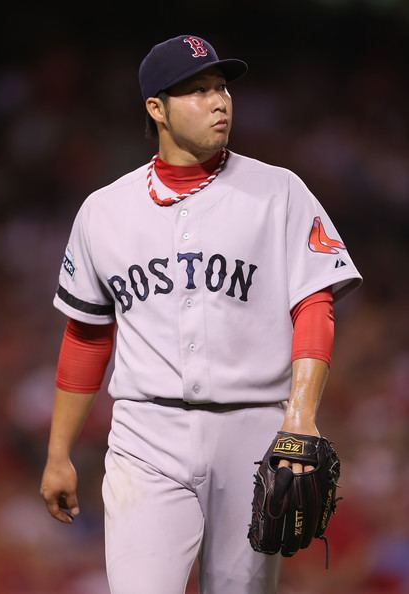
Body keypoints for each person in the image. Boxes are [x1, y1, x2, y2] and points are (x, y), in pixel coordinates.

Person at [40, 34, 362, 594]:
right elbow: (87, 333)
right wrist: (58, 452)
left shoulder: (279, 190)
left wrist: (301, 418)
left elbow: (314, 303)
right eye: (197, 90)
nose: (219, 101)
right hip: (147, 431)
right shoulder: (104, 210)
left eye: (221, 87)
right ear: (156, 108)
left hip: (256, 430)